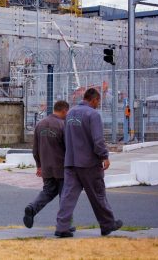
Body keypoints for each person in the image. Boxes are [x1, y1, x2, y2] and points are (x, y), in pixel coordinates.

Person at [55, 88, 122, 238]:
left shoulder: (70, 113)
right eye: (98, 101)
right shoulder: (93, 115)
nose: (98, 104)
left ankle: (62, 227)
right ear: (93, 99)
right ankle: (107, 224)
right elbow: (98, 140)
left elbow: (66, 137)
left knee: (68, 196)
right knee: (98, 195)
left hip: (71, 162)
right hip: (89, 163)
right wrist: (104, 156)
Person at [23, 100, 72, 230]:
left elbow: (35, 149)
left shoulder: (40, 124)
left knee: (48, 192)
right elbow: (68, 148)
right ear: (64, 111)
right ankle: (64, 225)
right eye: (68, 112)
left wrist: (39, 165)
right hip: (61, 168)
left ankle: (32, 208)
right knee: (65, 196)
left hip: (46, 167)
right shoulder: (63, 125)